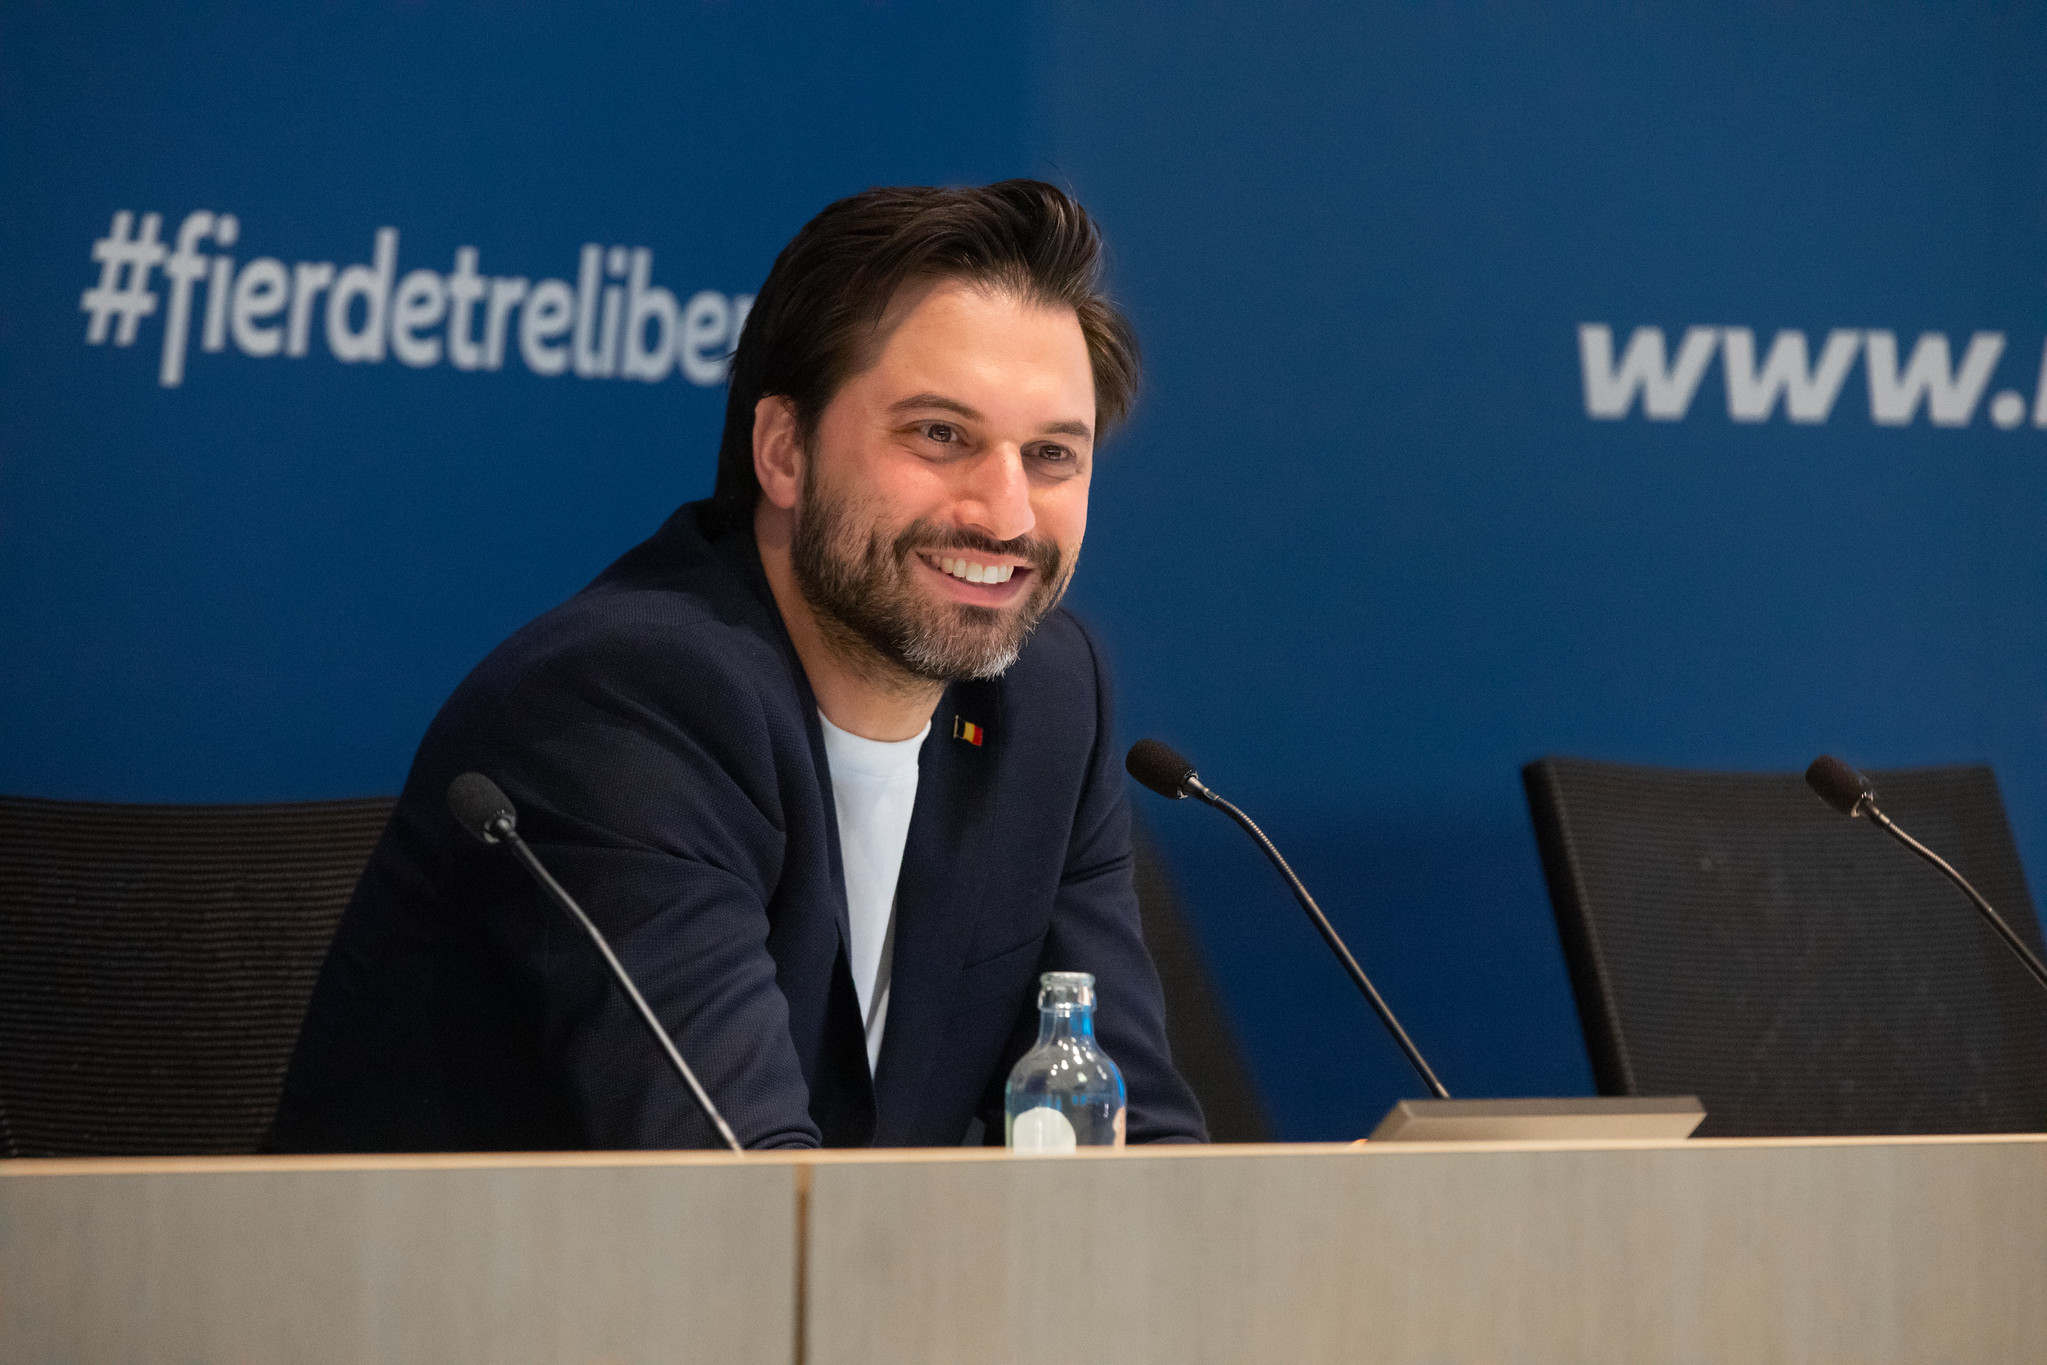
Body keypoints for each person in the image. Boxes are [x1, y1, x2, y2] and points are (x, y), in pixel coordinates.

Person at [267, 180, 1208, 1151]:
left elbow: (1134, 1141)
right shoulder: (627, 706)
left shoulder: (1047, 701)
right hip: (481, 1296)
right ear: (784, 452)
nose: (1006, 515)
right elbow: (739, 1196)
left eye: (1052, 455)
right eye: (939, 435)